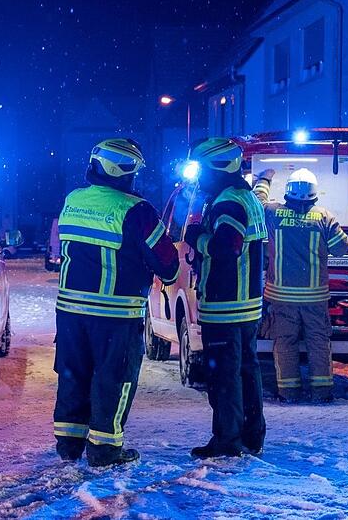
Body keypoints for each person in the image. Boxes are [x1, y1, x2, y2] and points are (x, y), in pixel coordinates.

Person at [53, 138, 180, 468]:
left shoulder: (73, 200)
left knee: (73, 373)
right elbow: (167, 265)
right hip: (115, 312)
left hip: (69, 310)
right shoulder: (137, 211)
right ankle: (105, 448)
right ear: (130, 172)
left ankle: (69, 443)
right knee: (115, 377)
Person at [184, 138, 267, 459]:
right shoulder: (245, 198)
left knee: (224, 377)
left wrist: (197, 237)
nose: (198, 179)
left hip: (225, 306)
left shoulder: (228, 203)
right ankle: (251, 436)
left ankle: (227, 441)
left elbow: (226, 247)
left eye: (201, 171)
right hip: (246, 305)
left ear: (217, 169)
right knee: (246, 371)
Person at [253, 168, 348, 403]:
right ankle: (322, 393)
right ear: (315, 194)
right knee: (318, 344)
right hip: (315, 298)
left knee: (285, 344)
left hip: (282, 298)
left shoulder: (274, 213)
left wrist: (264, 179)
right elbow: (341, 247)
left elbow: (256, 202)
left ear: (288, 193)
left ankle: (288, 393)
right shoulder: (325, 217)